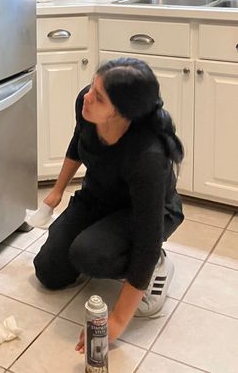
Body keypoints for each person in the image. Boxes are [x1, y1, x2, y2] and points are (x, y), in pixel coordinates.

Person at [33, 57, 184, 352]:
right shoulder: (86, 105)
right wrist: (57, 192)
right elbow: (78, 143)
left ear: (121, 112)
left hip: (143, 214)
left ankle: (156, 266)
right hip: (98, 198)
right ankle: (105, 244)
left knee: (89, 253)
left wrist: (116, 321)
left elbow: (146, 235)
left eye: (98, 96)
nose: (87, 97)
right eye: (92, 86)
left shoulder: (148, 156)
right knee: (48, 271)